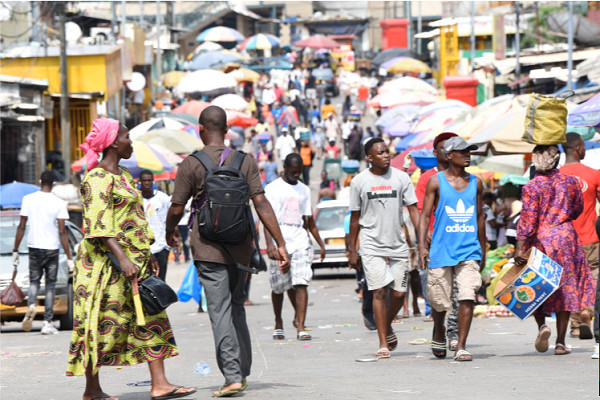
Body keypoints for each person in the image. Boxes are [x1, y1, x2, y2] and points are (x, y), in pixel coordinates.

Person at [66, 118, 195, 400]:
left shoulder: (124, 175)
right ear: (113, 142)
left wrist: (146, 254)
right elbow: (98, 225)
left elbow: (135, 218)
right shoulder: (96, 178)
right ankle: (92, 389)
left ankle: (160, 384)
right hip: (105, 267)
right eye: (127, 137)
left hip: (134, 263)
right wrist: (123, 258)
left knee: (150, 314)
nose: (131, 142)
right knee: (98, 323)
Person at [165, 106, 290, 397]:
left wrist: (170, 231)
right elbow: (261, 203)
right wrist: (280, 243)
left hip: (207, 249)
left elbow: (176, 208)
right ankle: (241, 371)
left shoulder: (191, 164)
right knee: (235, 307)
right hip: (241, 249)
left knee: (219, 311)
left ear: (200, 129)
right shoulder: (245, 161)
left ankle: (232, 376)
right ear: (227, 129)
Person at [514, 144, 595, 356]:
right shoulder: (571, 183)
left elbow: (528, 221)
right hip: (567, 238)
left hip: (541, 239)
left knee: (537, 284)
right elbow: (577, 210)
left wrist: (519, 248)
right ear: (557, 160)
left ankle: (542, 326)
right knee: (565, 290)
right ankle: (560, 343)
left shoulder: (532, 186)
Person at [348, 138, 420, 359]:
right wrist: (352, 249)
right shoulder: (359, 181)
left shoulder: (401, 178)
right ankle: (382, 343)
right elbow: (355, 217)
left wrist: (423, 239)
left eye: (387, 151)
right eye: (380, 153)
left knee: (398, 293)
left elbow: (414, 210)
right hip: (371, 242)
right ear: (370, 158)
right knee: (379, 291)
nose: (386, 155)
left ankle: (386, 325)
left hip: (397, 242)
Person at [418, 136, 486, 362]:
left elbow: (479, 217)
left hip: (468, 249)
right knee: (439, 300)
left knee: (467, 295)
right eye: (462, 151)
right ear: (448, 155)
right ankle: (439, 330)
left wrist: (482, 248)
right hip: (441, 249)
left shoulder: (476, 183)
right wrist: (421, 247)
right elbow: (425, 215)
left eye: (470, 151)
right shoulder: (435, 182)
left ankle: (461, 345)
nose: (468, 154)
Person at [264, 153, 325, 341]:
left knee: (301, 282)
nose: (296, 175)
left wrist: (320, 244)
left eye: (299, 172)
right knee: (279, 287)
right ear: (285, 167)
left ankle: (300, 326)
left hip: (299, 240)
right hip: (279, 240)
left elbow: (308, 220)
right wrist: (269, 245)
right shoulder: (272, 188)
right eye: (293, 171)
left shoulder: (304, 190)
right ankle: (278, 322)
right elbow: (266, 217)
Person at [13, 170, 73, 335]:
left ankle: (31, 304)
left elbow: (22, 226)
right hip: (52, 248)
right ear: (53, 184)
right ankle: (47, 322)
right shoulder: (59, 203)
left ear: (40, 181)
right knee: (50, 285)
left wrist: (15, 250)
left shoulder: (28, 199)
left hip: (34, 247)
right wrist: (69, 257)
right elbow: (62, 231)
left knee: (34, 281)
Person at [415, 132, 460, 346]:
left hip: (459, 240)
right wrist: (424, 240)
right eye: (444, 147)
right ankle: (439, 327)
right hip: (436, 243)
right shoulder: (427, 179)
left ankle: (453, 333)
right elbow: (422, 213)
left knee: (460, 292)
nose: (449, 150)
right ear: (435, 152)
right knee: (438, 290)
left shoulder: (465, 178)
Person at [559, 132, 600, 343]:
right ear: (578, 147)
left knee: (570, 281)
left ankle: (575, 326)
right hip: (590, 237)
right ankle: (588, 312)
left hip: (564, 241)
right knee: (593, 277)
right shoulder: (594, 174)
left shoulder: (555, 176)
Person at [139, 169, 171, 281]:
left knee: (161, 280)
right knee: (146, 280)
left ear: (153, 181)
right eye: (144, 181)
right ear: (140, 182)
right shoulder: (136, 199)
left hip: (161, 245)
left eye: (149, 180)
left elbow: (171, 217)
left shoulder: (163, 198)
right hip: (144, 248)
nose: (147, 183)